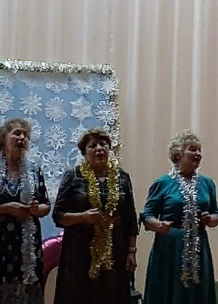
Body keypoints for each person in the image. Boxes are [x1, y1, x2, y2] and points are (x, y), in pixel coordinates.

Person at [0, 118, 50, 303]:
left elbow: (46, 207)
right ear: (3, 138)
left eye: (25, 135)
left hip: (27, 245)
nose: (22, 138)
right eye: (17, 133)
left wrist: (35, 209)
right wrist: (4, 208)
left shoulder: (34, 170)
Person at [52, 128, 139, 304]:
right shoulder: (73, 176)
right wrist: (83, 217)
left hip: (115, 248)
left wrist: (131, 251)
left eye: (103, 144)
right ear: (84, 153)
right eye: (93, 146)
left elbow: (130, 218)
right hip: (79, 251)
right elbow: (58, 216)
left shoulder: (122, 177)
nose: (99, 149)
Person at [141, 130, 218, 304]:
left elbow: (217, 214)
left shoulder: (207, 183)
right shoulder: (162, 182)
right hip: (169, 247)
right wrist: (159, 225)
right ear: (178, 154)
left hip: (199, 246)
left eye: (199, 150)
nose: (198, 154)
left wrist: (211, 219)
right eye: (192, 149)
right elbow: (147, 215)